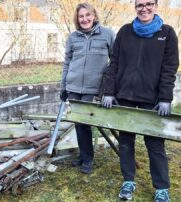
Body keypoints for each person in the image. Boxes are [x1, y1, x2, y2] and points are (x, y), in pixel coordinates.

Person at [102, 0, 179, 201]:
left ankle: (161, 188)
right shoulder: (125, 31)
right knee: (126, 142)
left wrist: (165, 98)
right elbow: (114, 63)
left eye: (149, 4)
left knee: (155, 144)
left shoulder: (167, 33)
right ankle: (128, 181)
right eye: (139, 5)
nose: (144, 8)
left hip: (151, 100)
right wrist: (109, 92)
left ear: (156, 5)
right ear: (134, 7)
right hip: (124, 96)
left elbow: (169, 69)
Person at [60, 2, 115, 174]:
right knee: (78, 123)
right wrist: (64, 87)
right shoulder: (73, 37)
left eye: (87, 15)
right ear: (77, 19)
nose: (84, 19)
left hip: (93, 89)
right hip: (74, 86)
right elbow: (67, 63)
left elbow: (116, 62)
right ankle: (84, 156)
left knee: (86, 123)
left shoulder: (107, 35)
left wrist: (109, 89)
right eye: (81, 16)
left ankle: (88, 159)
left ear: (94, 15)